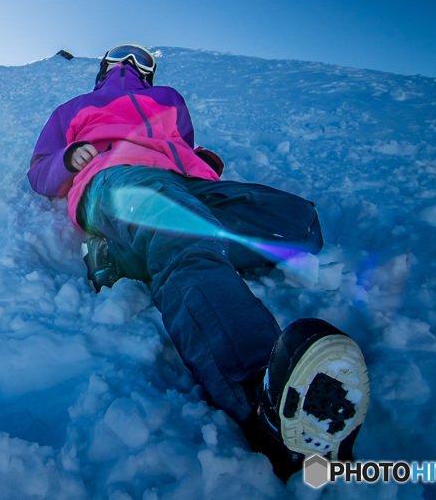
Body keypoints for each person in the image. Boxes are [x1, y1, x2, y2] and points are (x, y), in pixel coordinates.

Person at [27, 44, 370, 481]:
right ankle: (263, 396)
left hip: (184, 186)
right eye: (123, 55)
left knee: (298, 222)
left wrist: (199, 163)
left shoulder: (170, 99)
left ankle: (128, 254)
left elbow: (178, 148)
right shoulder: (74, 108)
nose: (133, 63)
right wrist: (67, 159)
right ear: (105, 65)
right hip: (117, 179)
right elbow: (39, 171)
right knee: (186, 236)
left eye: (143, 58)